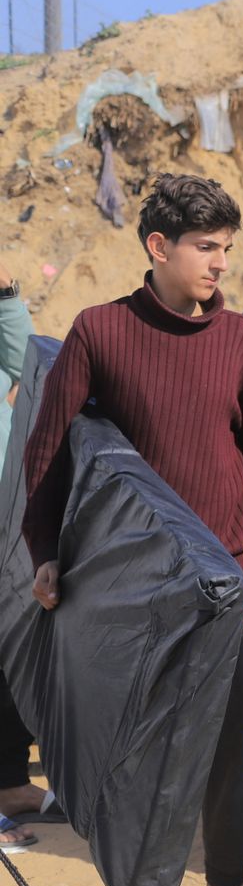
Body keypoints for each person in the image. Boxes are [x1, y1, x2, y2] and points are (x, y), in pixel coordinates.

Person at [22, 173, 243, 886]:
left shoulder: (238, 337)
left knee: (223, 758)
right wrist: (44, 554)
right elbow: (47, 457)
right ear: (158, 246)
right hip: (133, 599)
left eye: (226, 249)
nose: (219, 265)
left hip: (224, 595)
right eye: (206, 248)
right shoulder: (99, 332)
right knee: (136, 755)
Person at [0, 258, 65, 854]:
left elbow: (29, 359)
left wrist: (5, 294)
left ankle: (12, 785)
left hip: (5, 517)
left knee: (12, 654)